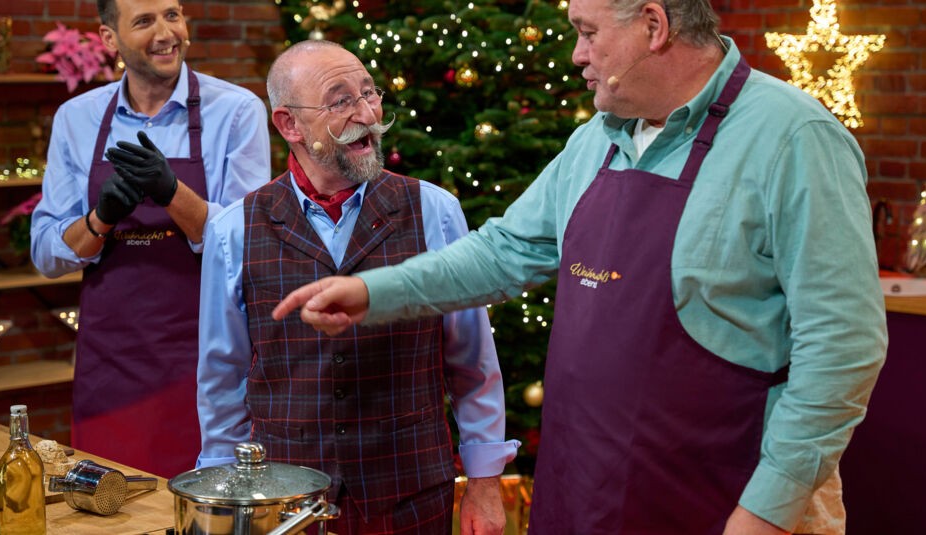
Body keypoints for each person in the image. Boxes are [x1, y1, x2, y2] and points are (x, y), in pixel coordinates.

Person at [274, 1, 890, 534]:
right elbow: (503, 252)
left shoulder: (795, 138)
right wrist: (371, 291)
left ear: (653, 26)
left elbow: (843, 347)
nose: (577, 54)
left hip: (728, 498)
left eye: (588, 32)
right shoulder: (598, 137)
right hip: (586, 488)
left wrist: (767, 512)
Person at [195, 40, 519, 535]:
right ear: (289, 124)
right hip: (283, 501)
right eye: (341, 101)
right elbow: (222, 380)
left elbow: (471, 362)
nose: (368, 115)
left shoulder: (434, 211)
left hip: (410, 495)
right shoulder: (233, 229)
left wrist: (485, 480)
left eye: (370, 93)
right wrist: (222, 493)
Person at [29, 0, 270, 478]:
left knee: (201, 506)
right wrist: (100, 219)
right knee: (107, 506)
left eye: (172, 14)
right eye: (144, 21)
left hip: (205, 363)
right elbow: (45, 254)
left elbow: (249, 244)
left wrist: (172, 192)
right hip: (109, 367)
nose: (166, 33)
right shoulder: (76, 118)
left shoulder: (236, 111)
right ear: (110, 38)